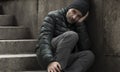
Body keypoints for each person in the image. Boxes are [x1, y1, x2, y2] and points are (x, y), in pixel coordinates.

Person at [35, 0, 95, 72]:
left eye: (79, 16)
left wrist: (80, 24)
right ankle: (57, 69)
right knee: (72, 35)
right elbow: (44, 39)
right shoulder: (53, 16)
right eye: (74, 11)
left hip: (65, 58)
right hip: (47, 56)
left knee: (89, 55)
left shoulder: (77, 24)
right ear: (69, 8)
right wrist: (50, 61)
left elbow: (85, 48)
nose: (74, 17)